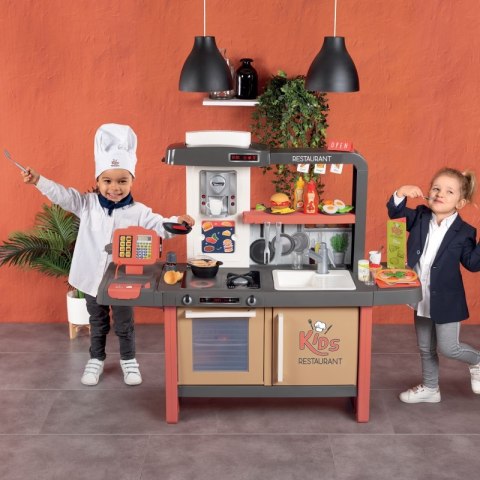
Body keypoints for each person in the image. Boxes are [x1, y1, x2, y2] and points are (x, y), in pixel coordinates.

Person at [21, 123, 195, 387]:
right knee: (97, 321)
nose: (115, 187)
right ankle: (96, 359)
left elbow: (160, 225)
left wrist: (179, 222)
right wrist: (38, 181)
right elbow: (62, 195)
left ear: (132, 181)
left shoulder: (139, 211)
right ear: (98, 181)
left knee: (124, 323)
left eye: (122, 181)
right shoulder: (86, 204)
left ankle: (129, 360)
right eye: (108, 181)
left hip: (122, 280)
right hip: (91, 278)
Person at [387, 167, 480, 403]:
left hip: (447, 301)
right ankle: (430, 388)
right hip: (421, 297)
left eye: (449, 192)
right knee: (425, 348)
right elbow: (395, 212)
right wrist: (401, 192)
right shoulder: (420, 216)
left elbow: (473, 264)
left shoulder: (465, 232)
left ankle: (477, 361)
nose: (440, 194)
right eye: (436, 188)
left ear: (460, 203)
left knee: (449, 348)